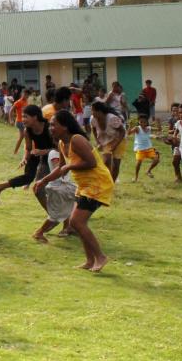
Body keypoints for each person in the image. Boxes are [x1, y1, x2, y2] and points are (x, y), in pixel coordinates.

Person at [34, 110, 114, 272]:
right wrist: (43, 180)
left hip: (97, 184)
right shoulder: (63, 144)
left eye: (53, 125)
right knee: (75, 223)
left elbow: (91, 163)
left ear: (65, 126)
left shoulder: (77, 140)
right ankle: (90, 260)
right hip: (85, 185)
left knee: (77, 222)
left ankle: (100, 257)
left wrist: (70, 166)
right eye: (50, 125)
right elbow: (60, 168)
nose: (51, 128)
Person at [0, 105, 53, 208]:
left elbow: (60, 148)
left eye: (25, 117)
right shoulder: (27, 131)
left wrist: (44, 151)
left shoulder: (49, 128)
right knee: (28, 177)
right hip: (36, 153)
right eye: (22, 117)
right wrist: (25, 158)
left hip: (52, 155)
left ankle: (56, 209)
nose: (22, 119)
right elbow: (28, 148)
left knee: (47, 184)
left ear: (35, 117)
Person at [31, 149, 76, 242]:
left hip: (65, 185)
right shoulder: (54, 154)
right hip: (58, 187)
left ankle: (67, 228)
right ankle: (39, 232)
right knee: (56, 215)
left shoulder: (62, 153)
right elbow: (59, 169)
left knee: (71, 206)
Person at [90, 101, 127, 181]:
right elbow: (93, 129)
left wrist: (115, 144)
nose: (91, 112)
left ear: (99, 111)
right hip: (107, 141)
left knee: (115, 164)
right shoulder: (93, 119)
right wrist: (98, 141)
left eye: (93, 110)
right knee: (106, 162)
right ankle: (106, 182)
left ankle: (112, 184)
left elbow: (122, 131)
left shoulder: (112, 118)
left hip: (119, 140)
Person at [129, 114, 160, 181]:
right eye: (141, 122)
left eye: (144, 122)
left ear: (147, 122)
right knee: (139, 162)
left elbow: (159, 129)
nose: (142, 123)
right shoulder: (137, 128)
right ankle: (136, 177)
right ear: (139, 122)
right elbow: (129, 133)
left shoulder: (149, 128)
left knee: (156, 160)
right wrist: (130, 126)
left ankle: (148, 171)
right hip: (140, 149)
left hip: (149, 148)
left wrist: (158, 122)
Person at [11, 89, 30, 154]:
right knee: (24, 136)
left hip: (24, 122)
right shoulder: (18, 102)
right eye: (25, 94)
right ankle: (16, 151)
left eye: (27, 95)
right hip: (20, 122)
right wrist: (11, 120)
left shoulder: (26, 101)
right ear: (22, 94)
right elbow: (11, 111)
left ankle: (17, 151)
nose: (26, 96)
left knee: (24, 137)